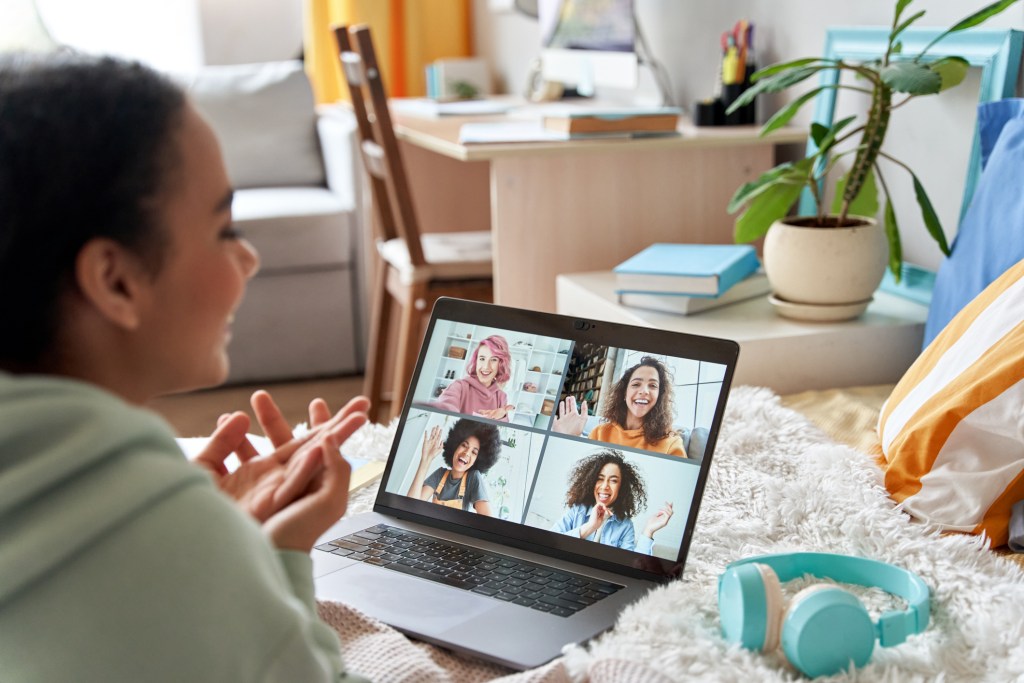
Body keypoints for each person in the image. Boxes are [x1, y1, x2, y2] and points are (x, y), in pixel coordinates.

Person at [0, 53, 369, 681]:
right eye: (225, 229)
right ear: (115, 280)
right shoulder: (178, 545)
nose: (248, 259)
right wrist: (260, 558)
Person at [552, 356, 685, 456]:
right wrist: (569, 440)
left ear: (659, 396)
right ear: (624, 393)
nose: (644, 391)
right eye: (636, 384)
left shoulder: (671, 443)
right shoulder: (600, 432)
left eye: (652, 385)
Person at [551, 450, 674, 555]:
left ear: (621, 487)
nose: (605, 486)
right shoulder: (577, 511)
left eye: (613, 481)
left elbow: (631, 567)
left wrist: (648, 531)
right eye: (600, 479)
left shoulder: (625, 525)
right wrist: (590, 527)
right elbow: (551, 542)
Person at [406, 418, 500, 514]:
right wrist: (426, 459)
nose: (467, 453)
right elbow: (410, 506)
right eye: (464, 445)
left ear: (477, 460)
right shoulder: (440, 474)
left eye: (474, 452)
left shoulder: (473, 478)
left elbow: (487, 520)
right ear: (455, 446)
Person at [432, 335, 516, 421]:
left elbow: (500, 430)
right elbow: (445, 407)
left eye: (493, 360)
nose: (486, 366)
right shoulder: (459, 386)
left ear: (500, 364)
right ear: (476, 361)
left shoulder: (501, 397)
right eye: (482, 359)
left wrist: (501, 417)